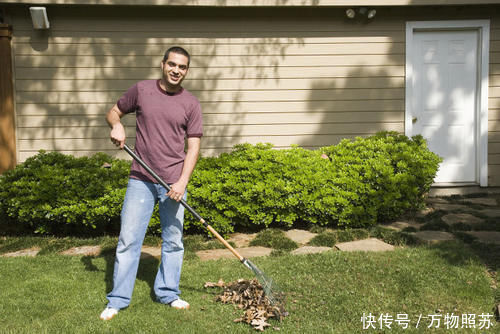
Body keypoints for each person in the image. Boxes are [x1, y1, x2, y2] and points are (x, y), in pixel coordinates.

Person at [100, 46, 203, 320]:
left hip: (174, 182)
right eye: (172, 64)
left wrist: (182, 182)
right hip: (141, 179)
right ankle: (118, 300)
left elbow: (193, 147)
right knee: (129, 240)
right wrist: (117, 125)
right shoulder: (142, 90)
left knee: (173, 241)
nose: (176, 70)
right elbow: (113, 111)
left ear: (187, 71)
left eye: (182, 67)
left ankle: (168, 292)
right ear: (162, 64)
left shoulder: (191, 103)